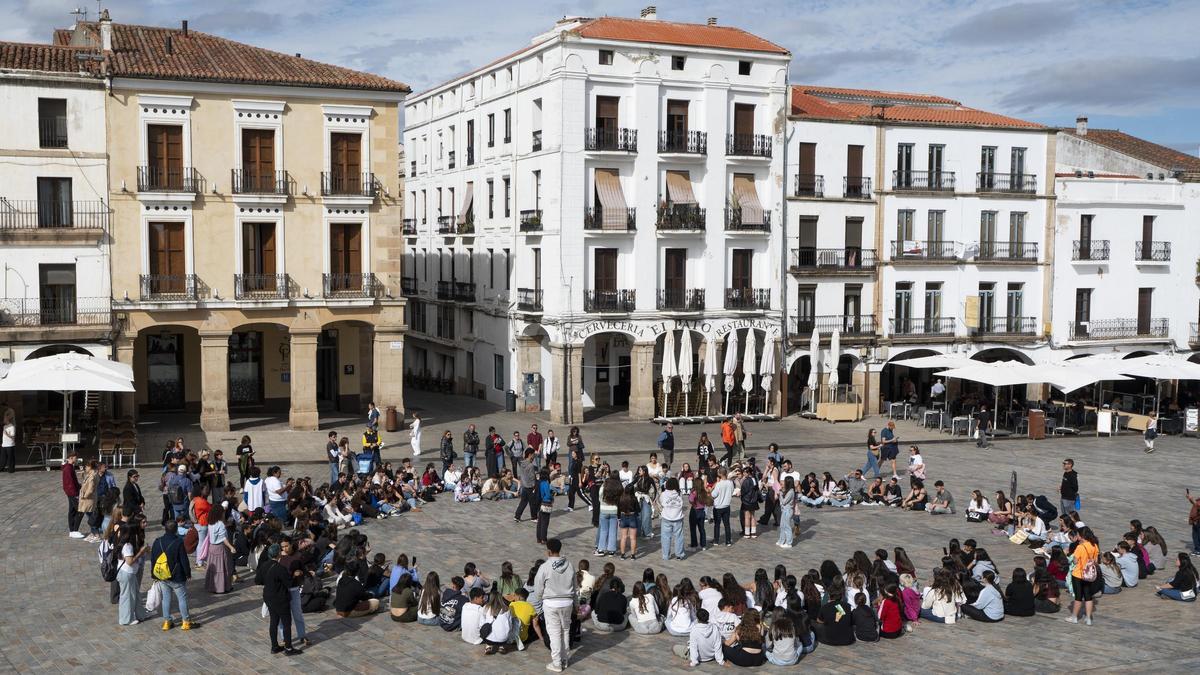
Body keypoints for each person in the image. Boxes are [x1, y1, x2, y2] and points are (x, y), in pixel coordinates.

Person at [533, 537, 576, 672]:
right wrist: (576, 604)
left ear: (549, 551)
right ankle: (565, 659)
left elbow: (538, 588)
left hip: (551, 603)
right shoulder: (569, 565)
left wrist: (540, 599)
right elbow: (575, 587)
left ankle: (557, 663)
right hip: (567, 602)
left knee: (554, 633)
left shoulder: (544, 567)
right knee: (565, 630)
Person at [151, 515, 195, 630]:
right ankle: (185, 621)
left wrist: (153, 574)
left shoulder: (157, 541)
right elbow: (184, 560)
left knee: (166, 598)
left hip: (162, 575)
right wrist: (188, 573)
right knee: (182, 598)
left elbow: (153, 559)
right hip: (176, 576)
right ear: (176, 530)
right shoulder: (178, 542)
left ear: (165, 529)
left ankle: (167, 621)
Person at [1065, 525, 1100, 625]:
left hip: (1078, 574)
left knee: (1078, 597)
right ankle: (1088, 618)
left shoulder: (1080, 547)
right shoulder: (1094, 545)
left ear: (1081, 536)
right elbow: (1096, 561)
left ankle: (1074, 617)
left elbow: (1075, 561)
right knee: (1088, 596)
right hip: (1089, 574)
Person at [116, 522, 148, 625]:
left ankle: (141, 615)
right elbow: (130, 561)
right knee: (127, 597)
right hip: (126, 573)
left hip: (129, 573)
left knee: (136, 595)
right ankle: (125, 620)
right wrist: (141, 552)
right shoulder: (127, 545)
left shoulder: (122, 541)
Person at [205, 503, 235, 593]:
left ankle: (212, 586)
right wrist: (231, 547)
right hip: (220, 548)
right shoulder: (220, 524)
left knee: (213, 569)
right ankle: (223, 587)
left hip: (212, 547)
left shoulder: (210, 523)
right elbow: (223, 538)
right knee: (223, 568)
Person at [62, 451, 84, 539]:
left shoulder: (70, 467)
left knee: (72, 511)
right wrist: (75, 494)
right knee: (80, 510)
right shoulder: (68, 468)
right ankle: (75, 530)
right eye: (76, 458)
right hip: (72, 493)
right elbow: (69, 483)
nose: (77, 459)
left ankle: (72, 531)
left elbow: (73, 481)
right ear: (71, 458)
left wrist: (79, 486)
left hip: (72, 492)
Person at [711, 467, 734, 547]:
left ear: (720, 474)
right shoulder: (730, 483)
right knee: (727, 524)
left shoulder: (719, 484)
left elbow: (713, 495)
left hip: (718, 507)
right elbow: (732, 491)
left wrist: (713, 488)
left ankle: (716, 540)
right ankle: (728, 541)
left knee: (717, 524)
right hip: (727, 506)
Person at [536, 467, 554, 545]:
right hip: (546, 503)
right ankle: (543, 538)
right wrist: (552, 497)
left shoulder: (540, 482)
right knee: (545, 522)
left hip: (540, 503)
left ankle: (539, 538)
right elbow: (547, 494)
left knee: (540, 521)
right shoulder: (546, 483)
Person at [777, 476, 796, 549]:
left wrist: (780, 494)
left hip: (788, 511)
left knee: (787, 526)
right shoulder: (787, 490)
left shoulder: (791, 491)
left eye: (784, 481)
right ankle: (781, 540)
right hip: (784, 510)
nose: (783, 482)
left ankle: (789, 542)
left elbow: (784, 502)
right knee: (782, 525)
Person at [0, 409, 16, 473]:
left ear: (7, 420)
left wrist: (7, 434)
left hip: (10, 445)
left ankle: (11, 469)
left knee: (11, 458)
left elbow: (13, 437)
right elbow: (3, 436)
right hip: (4, 445)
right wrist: (2, 443)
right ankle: (1, 468)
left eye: (4, 419)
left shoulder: (12, 427)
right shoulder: (4, 426)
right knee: (2, 458)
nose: (3, 420)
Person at [1188, 489, 1200, 556]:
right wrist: (1190, 499)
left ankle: (1198, 550)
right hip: (1195, 522)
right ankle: (1197, 549)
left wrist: (1191, 499)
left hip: (1198, 522)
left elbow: (1197, 505)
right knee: (1195, 536)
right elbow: (1194, 503)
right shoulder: (1197, 503)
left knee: (1197, 536)